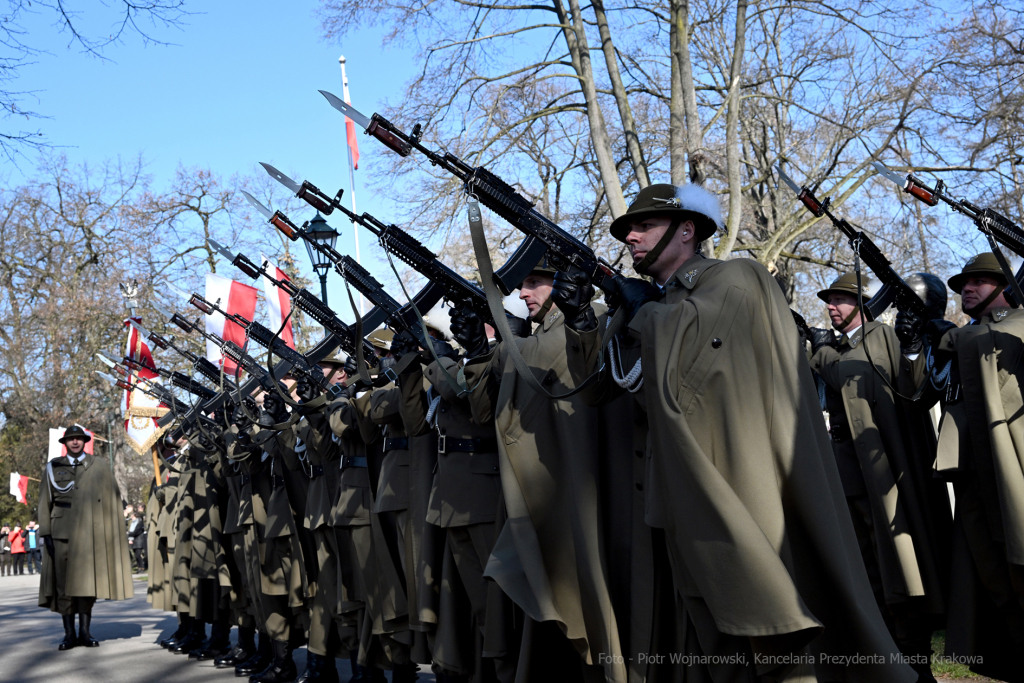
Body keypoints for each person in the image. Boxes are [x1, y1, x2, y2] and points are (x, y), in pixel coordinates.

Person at [553, 183, 918, 681]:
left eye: (643, 227)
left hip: (742, 486)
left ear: (687, 231)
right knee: (715, 642)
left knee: (769, 631)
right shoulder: (656, 305)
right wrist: (580, 319)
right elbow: (600, 389)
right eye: (627, 231)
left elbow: (695, 357)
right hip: (682, 493)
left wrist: (642, 312)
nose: (631, 238)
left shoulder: (734, 278)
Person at [808, 273, 952, 681]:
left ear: (863, 303)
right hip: (849, 480)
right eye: (829, 299)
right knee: (870, 575)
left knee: (897, 572)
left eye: (840, 299)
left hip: (882, 477)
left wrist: (821, 353)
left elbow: (862, 387)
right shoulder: (843, 345)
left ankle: (913, 661)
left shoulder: (877, 339)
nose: (831, 306)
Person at [899, 252, 1024, 682]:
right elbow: (919, 394)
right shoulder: (961, 337)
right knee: (992, 579)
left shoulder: (1015, 328)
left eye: (979, 282)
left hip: (1013, 469)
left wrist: (949, 338)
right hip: (967, 472)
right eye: (963, 284)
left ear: (1007, 284)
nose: (967, 289)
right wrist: (915, 347)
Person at [37, 424, 134, 650]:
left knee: (87, 584)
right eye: (70, 439)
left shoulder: (98, 466)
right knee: (64, 586)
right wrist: (46, 533)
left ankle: (85, 632)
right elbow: (45, 502)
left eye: (79, 439)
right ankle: (69, 634)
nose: (75, 442)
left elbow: (111, 498)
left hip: (90, 532)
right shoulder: (53, 467)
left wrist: (109, 533)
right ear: (65, 443)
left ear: (84, 441)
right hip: (61, 533)